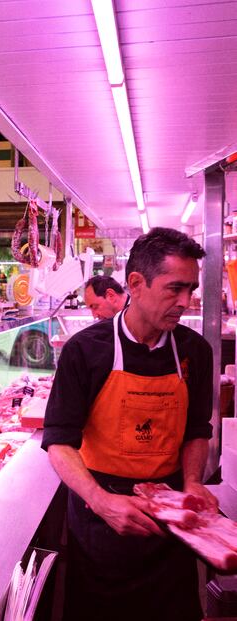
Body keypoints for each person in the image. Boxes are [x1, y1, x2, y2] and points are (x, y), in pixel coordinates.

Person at [42, 227, 218, 621]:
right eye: (174, 289)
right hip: (101, 520)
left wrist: (192, 483)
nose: (185, 302)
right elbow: (59, 442)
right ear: (136, 284)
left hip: (170, 521)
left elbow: (196, 430)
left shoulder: (195, 352)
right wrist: (100, 501)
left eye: (190, 290)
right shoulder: (85, 350)